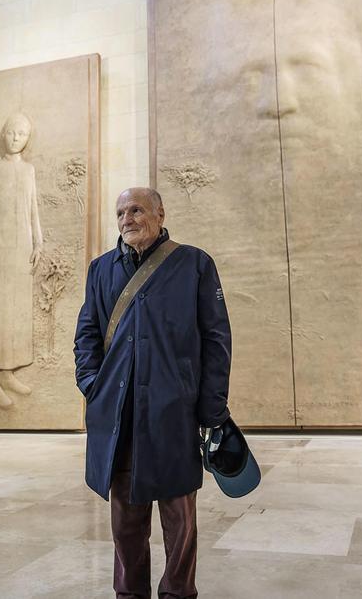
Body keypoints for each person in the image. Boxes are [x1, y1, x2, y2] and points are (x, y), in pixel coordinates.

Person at [74, 187, 231, 599]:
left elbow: (216, 340)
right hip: (119, 415)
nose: (128, 218)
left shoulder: (195, 264)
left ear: (160, 214)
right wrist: (94, 386)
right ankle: (129, 594)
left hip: (173, 412)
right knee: (125, 520)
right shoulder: (100, 269)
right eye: (121, 212)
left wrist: (211, 409)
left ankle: (178, 593)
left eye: (137, 209)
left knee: (179, 519)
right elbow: (87, 334)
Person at [0, 112, 43, 409]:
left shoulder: (28, 171)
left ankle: (10, 372)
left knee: (16, 312)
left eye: (21, 134)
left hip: (21, 252)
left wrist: (38, 241)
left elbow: (33, 210)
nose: (16, 138)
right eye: (11, 132)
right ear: (3, 135)